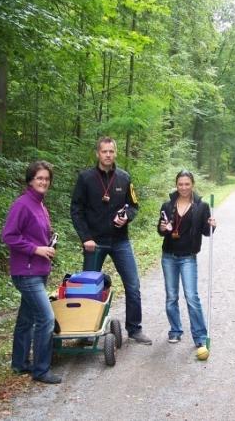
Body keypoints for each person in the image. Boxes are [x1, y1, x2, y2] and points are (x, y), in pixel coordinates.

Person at [70, 137, 151, 345]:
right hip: (94, 242)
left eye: (111, 151)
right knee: (89, 288)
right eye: (104, 151)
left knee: (132, 285)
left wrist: (127, 217)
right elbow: (76, 210)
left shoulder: (124, 178)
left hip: (120, 241)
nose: (108, 155)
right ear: (97, 153)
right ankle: (86, 331)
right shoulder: (85, 178)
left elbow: (134, 206)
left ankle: (134, 329)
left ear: (115, 153)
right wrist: (85, 237)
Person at [1, 161, 61, 384]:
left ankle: (19, 363)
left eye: (46, 179)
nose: (43, 182)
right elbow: (9, 236)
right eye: (39, 178)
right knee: (46, 318)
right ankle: (41, 370)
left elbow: (35, 235)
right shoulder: (22, 204)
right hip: (25, 272)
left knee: (26, 319)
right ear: (30, 180)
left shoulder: (41, 205)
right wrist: (36, 249)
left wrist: (48, 245)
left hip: (39, 270)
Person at [158, 170, 216, 348]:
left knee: (191, 296)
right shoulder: (167, 206)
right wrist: (162, 227)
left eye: (187, 184)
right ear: (176, 185)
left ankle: (199, 336)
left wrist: (213, 225)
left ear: (192, 185)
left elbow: (207, 233)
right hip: (169, 256)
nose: (183, 187)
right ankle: (175, 330)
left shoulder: (202, 206)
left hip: (188, 257)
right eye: (180, 184)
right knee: (171, 296)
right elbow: (160, 232)